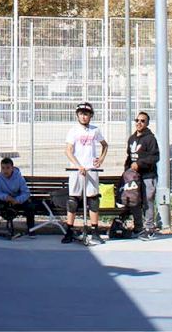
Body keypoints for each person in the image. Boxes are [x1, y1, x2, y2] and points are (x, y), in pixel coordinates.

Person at [62, 101, 107, 243]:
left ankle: (94, 231)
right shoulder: (73, 131)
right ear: (77, 115)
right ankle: (69, 230)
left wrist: (100, 159)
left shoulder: (95, 130)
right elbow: (68, 150)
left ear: (90, 115)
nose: (83, 116)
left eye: (86, 114)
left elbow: (105, 145)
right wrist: (78, 166)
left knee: (93, 200)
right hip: (76, 170)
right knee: (73, 200)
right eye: (81, 114)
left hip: (91, 169)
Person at [123, 111, 161, 240]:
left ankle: (149, 228)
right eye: (137, 120)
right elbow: (129, 157)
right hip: (134, 177)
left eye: (142, 121)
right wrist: (126, 172)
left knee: (148, 201)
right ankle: (138, 227)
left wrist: (140, 164)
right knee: (135, 201)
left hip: (148, 175)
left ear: (147, 123)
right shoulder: (132, 138)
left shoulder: (150, 139)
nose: (139, 123)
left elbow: (155, 157)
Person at [0, 157, 35, 235]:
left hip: (17, 200)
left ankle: (31, 229)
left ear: (12, 168)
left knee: (29, 206)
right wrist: (6, 197)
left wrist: (18, 200)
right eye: (3, 168)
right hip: (5, 200)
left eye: (8, 168)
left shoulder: (19, 178)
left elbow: (26, 193)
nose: (5, 170)